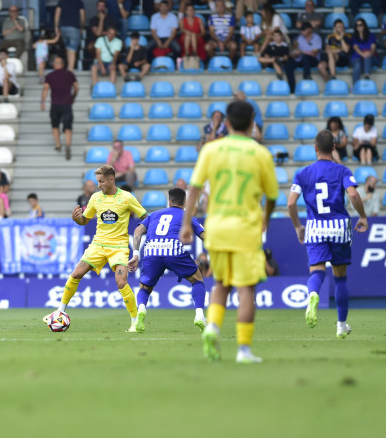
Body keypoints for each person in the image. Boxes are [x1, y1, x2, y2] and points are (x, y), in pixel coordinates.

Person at [180, 100, 279, 363]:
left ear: (226, 123)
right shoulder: (260, 153)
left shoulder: (211, 149)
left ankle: (212, 328)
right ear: (252, 123)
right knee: (246, 290)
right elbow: (271, 196)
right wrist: (265, 218)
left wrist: (187, 224)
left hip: (218, 228)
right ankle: (244, 350)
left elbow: (195, 189)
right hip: (245, 228)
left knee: (221, 284)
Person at [44, 164, 147, 332]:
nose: (99, 185)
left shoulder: (127, 198)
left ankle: (135, 322)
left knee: (121, 282)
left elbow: (145, 218)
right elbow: (85, 220)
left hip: (119, 247)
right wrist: (77, 219)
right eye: (97, 181)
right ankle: (59, 311)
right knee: (76, 273)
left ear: (112, 180)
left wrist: (138, 243)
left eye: (101, 181)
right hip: (98, 245)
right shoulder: (95, 198)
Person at [287, 130, 369, 338]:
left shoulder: (303, 173)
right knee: (340, 279)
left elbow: (290, 202)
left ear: (315, 148)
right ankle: (341, 325)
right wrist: (363, 216)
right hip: (339, 227)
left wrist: (298, 226)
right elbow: (353, 194)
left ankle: (313, 294)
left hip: (315, 228)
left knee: (317, 272)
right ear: (334, 148)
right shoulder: (342, 171)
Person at [128, 188, 207, 332]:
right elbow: (204, 236)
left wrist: (135, 254)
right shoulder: (186, 215)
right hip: (172, 249)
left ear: (169, 202)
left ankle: (141, 310)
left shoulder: (154, 214)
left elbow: (138, 231)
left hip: (151, 250)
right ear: (185, 203)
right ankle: (200, 316)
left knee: (145, 288)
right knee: (197, 280)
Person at [41, 56, 78, 160]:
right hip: (67, 104)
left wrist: (42, 101)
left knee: (55, 125)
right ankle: (68, 145)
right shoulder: (70, 74)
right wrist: (73, 96)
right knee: (68, 127)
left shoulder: (49, 76)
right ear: (63, 64)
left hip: (55, 104)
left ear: (53, 65)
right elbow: (76, 87)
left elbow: (45, 88)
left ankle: (58, 144)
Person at [54, 0, 85, 71]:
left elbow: (57, 15)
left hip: (63, 28)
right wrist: (82, 27)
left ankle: (69, 68)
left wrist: (56, 27)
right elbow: (82, 16)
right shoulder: (79, 2)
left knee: (68, 47)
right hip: (74, 28)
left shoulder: (61, 2)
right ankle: (70, 69)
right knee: (72, 48)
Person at [352, 18, 378, 85]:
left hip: (371, 58)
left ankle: (367, 75)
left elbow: (373, 47)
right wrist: (363, 54)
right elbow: (356, 48)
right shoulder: (354, 37)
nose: (359, 27)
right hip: (358, 58)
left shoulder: (371, 35)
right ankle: (355, 85)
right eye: (357, 25)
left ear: (364, 25)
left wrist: (369, 53)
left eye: (361, 25)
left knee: (368, 54)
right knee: (357, 65)